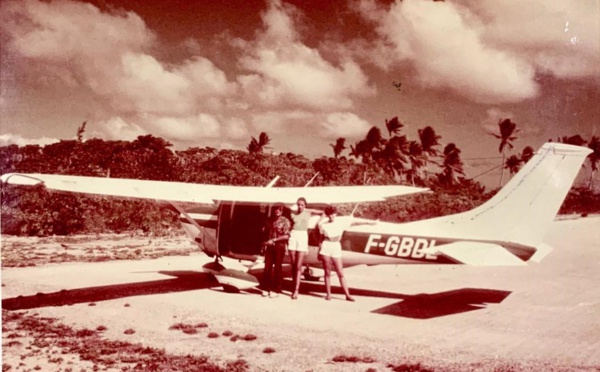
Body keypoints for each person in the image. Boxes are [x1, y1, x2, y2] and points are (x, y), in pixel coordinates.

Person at [317, 205, 373, 302]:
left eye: (333, 214)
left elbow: (354, 222)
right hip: (326, 246)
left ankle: (347, 295)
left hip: (336, 246)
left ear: (335, 214)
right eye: (329, 215)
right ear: (327, 215)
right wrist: (319, 250)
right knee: (327, 272)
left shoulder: (341, 223)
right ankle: (328, 295)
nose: (331, 217)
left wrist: (370, 222)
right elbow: (321, 238)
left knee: (340, 273)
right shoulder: (323, 225)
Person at [288, 197, 323, 300]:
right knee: (294, 265)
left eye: (302, 205)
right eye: (298, 204)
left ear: (305, 205)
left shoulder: (308, 212)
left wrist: (318, 223)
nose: (300, 206)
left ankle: (296, 290)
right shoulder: (292, 213)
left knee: (298, 266)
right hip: (293, 235)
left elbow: (322, 212)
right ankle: (294, 286)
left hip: (303, 236)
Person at [261, 203, 291, 298]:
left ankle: (277, 289)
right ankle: (266, 288)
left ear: (282, 210)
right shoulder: (269, 220)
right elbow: (266, 232)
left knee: (278, 267)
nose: (277, 211)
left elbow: (287, 236)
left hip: (279, 246)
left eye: (279, 209)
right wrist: (265, 242)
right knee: (267, 267)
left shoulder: (285, 221)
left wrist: (274, 240)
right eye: (276, 209)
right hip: (270, 246)